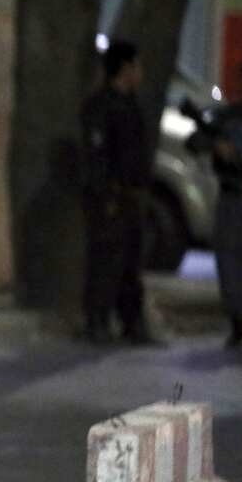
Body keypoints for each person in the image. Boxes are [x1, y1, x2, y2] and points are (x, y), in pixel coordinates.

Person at [79, 40, 157, 345]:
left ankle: (131, 322)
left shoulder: (132, 105)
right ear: (126, 68)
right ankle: (97, 321)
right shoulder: (101, 106)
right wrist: (106, 195)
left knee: (129, 263)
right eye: (137, 65)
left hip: (132, 197)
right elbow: (97, 156)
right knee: (105, 261)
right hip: (110, 198)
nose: (141, 72)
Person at [188, 60, 242, 349]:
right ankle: (239, 323)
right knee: (229, 263)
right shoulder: (230, 116)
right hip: (233, 195)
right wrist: (217, 147)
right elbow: (196, 140)